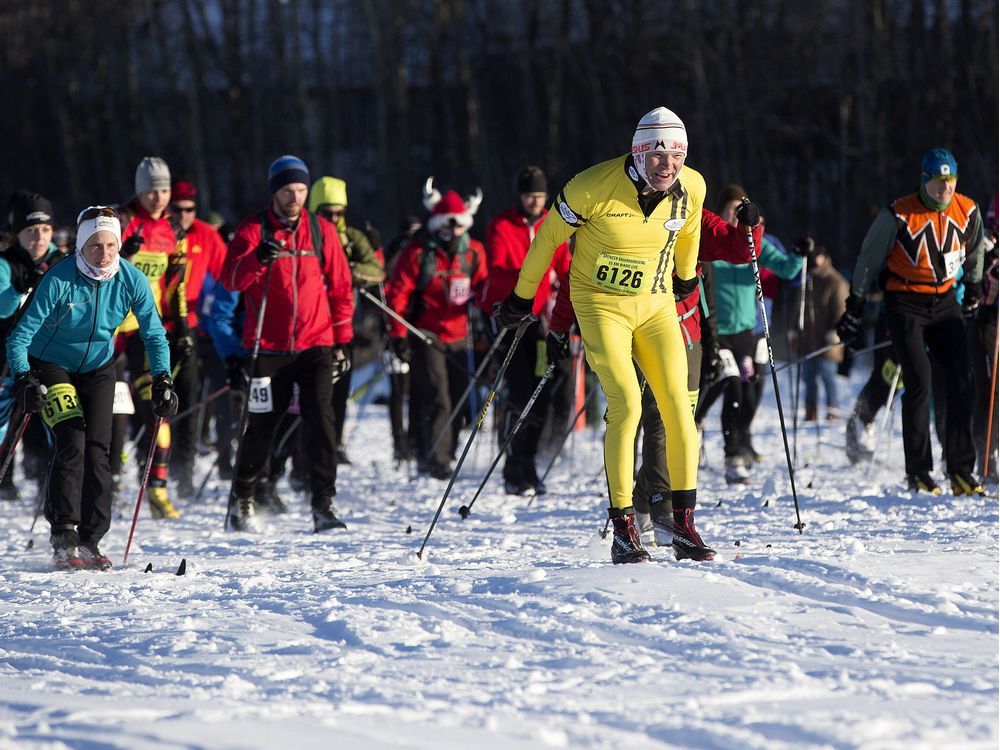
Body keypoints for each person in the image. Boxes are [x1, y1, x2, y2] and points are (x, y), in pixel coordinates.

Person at [495, 107, 710, 564]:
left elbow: (690, 230)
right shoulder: (591, 186)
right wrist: (521, 299)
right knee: (627, 402)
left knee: (679, 404)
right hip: (600, 305)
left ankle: (683, 523)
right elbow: (546, 239)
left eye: (676, 156)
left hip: (653, 305)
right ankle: (624, 527)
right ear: (637, 153)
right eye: (657, 157)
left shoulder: (691, 185)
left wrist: (687, 277)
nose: (667, 166)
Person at [6, 206, 177, 570]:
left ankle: (91, 538)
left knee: (101, 449)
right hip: (50, 364)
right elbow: (19, 337)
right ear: (81, 247)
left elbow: (154, 334)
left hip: (99, 367)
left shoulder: (130, 279)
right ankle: (64, 534)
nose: (104, 254)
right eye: (95, 246)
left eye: (111, 245)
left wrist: (163, 378)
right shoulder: (59, 278)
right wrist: (24, 377)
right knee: (72, 439)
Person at [836, 148, 986, 496]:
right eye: (936, 183)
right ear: (924, 181)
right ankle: (919, 472)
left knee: (963, 380)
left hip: (946, 300)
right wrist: (856, 304)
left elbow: (976, 247)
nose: (943, 190)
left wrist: (975, 285)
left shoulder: (968, 210)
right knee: (919, 381)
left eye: (949, 182)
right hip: (904, 301)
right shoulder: (899, 214)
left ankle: (962, 471)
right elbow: (868, 259)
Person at [221, 155, 355, 532]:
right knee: (262, 426)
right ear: (274, 193)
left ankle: (323, 504)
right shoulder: (253, 229)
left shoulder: (321, 230)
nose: (295, 197)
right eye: (287, 191)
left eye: (300, 190)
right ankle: (243, 495)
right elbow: (230, 279)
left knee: (322, 423)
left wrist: (342, 340)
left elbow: (342, 287)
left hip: (316, 344)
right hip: (268, 347)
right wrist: (257, 260)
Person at [385, 185, 488, 479]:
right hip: (426, 334)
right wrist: (398, 334)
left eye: (457, 225)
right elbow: (399, 293)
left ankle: (445, 450)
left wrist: (495, 317)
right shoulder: (418, 252)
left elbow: (485, 288)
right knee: (437, 394)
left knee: (457, 396)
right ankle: (437, 458)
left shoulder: (473, 252)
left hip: (459, 336)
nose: (451, 231)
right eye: (446, 224)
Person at [481, 165, 571, 495]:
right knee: (520, 391)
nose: (535, 201)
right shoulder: (501, 225)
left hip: (543, 323)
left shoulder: (554, 223)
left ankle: (528, 459)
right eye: (529, 195)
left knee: (542, 392)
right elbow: (499, 270)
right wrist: (534, 277)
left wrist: (569, 285)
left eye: (540, 195)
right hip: (509, 318)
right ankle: (513, 466)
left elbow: (565, 266)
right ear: (519, 196)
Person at [711, 187, 806, 485]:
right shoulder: (712, 243)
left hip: (745, 334)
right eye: (730, 210)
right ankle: (731, 455)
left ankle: (739, 445)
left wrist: (800, 254)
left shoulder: (753, 243)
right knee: (731, 389)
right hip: (716, 333)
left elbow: (786, 268)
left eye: (741, 210)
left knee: (750, 390)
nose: (735, 215)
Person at [115, 157, 189, 519]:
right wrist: (121, 255)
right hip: (109, 329)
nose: (157, 197)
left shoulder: (174, 229)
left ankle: (157, 487)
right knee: (109, 410)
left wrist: (184, 329)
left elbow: (177, 285)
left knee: (160, 406)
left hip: (146, 330)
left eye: (163, 190)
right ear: (138, 190)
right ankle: (109, 477)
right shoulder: (121, 220)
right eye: (150, 190)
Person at [307, 176, 385, 464]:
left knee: (339, 393)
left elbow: (376, 271)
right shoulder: (305, 235)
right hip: (309, 328)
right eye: (328, 213)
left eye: (340, 212)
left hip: (342, 327)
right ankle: (304, 450)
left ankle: (334, 444)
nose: (334, 218)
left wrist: (350, 268)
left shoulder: (351, 237)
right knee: (312, 395)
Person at [166, 179, 228, 495]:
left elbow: (229, 275)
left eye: (190, 210)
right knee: (155, 401)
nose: (184, 216)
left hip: (190, 326)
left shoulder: (206, 234)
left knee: (188, 400)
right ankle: (149, 471)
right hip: (155, 325)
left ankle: (183, 473)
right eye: (177, 209)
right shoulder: (157, 232)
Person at [0, 192, 63, 499]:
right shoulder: (7, 263)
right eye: (30, 231)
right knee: (7, 417)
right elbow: (1, 307)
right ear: (18, 234)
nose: (39, 237)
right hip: (8, 350)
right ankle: (5, 478)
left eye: (45, 230)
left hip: (46, 350)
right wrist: (20, 288)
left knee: (43, 416)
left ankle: (44, 480)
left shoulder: (60, 261)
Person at [797, 242, 849, 421]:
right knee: (808, 377)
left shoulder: (836, 281)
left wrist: (836, 330)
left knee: (828, 377)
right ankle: (810, 411)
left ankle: (832, 410)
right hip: (809, 338)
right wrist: (794, 330)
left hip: (828, 340)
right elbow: (800, 306)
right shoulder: (807, 278)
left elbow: (841, 308)